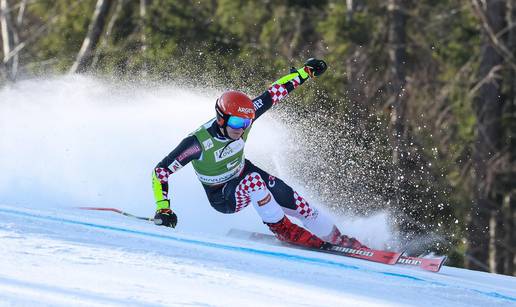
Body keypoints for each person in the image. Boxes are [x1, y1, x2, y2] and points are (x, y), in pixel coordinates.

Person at [151, 58, 367, 250]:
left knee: (299, 203)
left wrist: (305, 72)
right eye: (235, 122)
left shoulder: (246, 116)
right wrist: (164, 209)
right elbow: (160, 171)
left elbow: (274, 93)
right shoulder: (198, 143)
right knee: (254, 181)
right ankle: (283, 229)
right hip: (223, 195)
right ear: (221, 119)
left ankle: (338, 238)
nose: (241, 128)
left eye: (245, 123)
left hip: (243, 172)